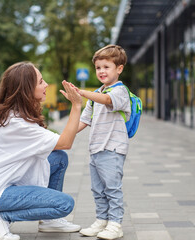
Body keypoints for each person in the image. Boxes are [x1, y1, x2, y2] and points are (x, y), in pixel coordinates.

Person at [0, 62, 82, 240]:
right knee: (65, 204)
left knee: (58, 158)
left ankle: (49, 221)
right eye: (41, 82)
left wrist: (87, 119)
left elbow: (59, 141)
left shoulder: (18, 115)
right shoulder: (17, 123)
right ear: (26, 89)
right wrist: (77, 106)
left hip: (4, 185)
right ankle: (1, 217)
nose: (46, 84)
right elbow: (66, 142)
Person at [74, 45, 131, 240]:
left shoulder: (120, 91)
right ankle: (102, 220)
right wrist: (62, 136)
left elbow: (107, 100)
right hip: (96, 150)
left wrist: (82, 92)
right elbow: (84, 121)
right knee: (97, 189)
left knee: (112, 188)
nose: (101, 71)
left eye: (106, 67)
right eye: (98, 68)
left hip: (112, 149)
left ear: (119, 69)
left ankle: (115, 224)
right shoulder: (96, 93)